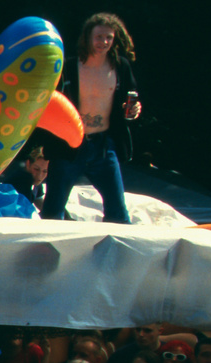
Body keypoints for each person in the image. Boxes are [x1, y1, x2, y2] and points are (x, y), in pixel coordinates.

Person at [42, 14, 140, 225]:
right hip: (69, 145)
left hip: (104, 146)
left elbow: (130, 100)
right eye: (98, 37)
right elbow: (48, 104)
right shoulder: (68, 66)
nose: (103, 43)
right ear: (87, 37)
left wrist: (134, 110)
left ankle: (114, 256)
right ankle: (43, 255)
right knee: (52, 211)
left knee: (118, 213)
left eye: (108, 38)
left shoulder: (120, 67)